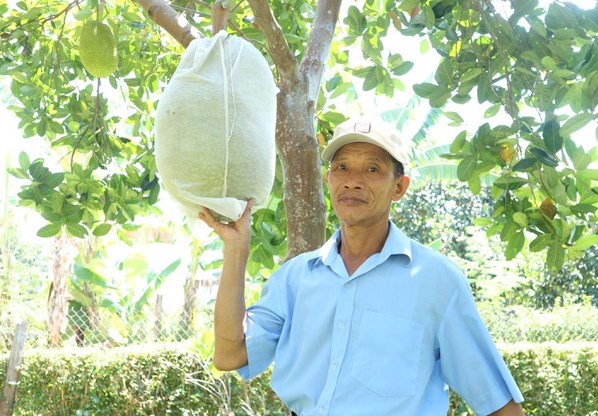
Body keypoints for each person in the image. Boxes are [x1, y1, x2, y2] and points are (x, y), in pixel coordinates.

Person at [199, 118, 525, 415]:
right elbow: (230, 355)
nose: (352, 181)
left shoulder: (437, 281)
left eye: (372, 170)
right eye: (341, 167)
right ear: (329, 179)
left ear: (399, 187)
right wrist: (235, 247)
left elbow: (499, 404)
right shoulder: (294, 278)